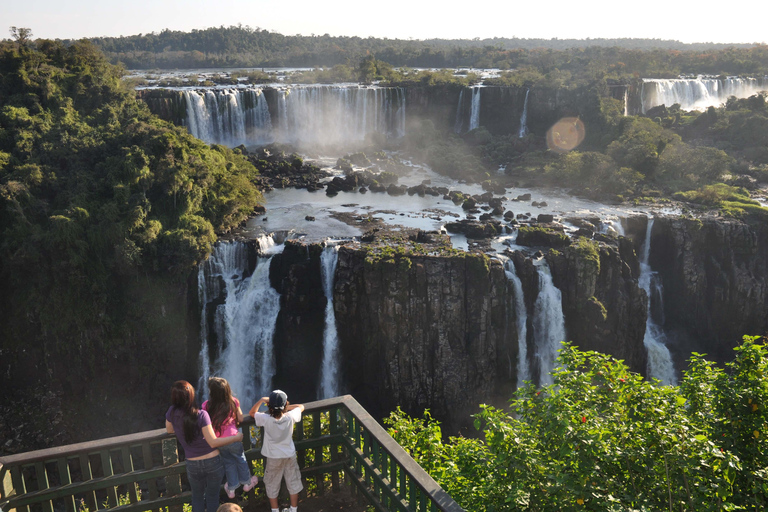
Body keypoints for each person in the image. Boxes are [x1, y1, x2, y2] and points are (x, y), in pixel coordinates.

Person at [165, 380, 243, 512]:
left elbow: (169, 430)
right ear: (191, 396)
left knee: (197, 497)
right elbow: (213, 442)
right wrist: (235, 437)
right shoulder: (201, 414)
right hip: (213, 462)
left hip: (192, 463)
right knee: (212, 497)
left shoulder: (172, 412)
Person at [202, 377, 259, 498]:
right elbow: (241, 418)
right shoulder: (233, 402)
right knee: (240, 459)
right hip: (234, 438)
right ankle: (247, 483)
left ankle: (232, 489)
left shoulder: (206, 405)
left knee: (228, 463)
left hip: (219, 441)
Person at [248, 390, 304, 512]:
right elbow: (301, 406)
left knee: (272, 483)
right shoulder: (290, 416)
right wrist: (286, 407)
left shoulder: (265, 419)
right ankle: (293, 510)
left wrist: (262, 400)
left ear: (269, 406)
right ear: (285, 405)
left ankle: (275, 510)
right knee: (293, 482)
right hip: (289, 455)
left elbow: (252, 413)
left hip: (273, 457)